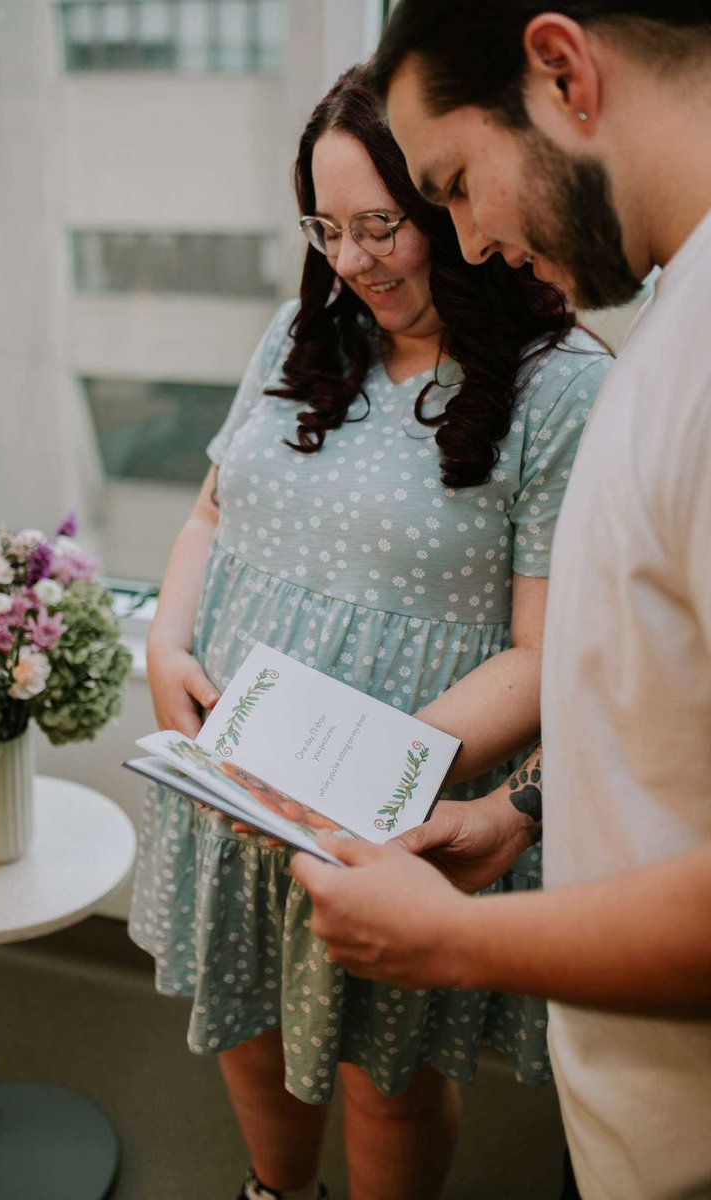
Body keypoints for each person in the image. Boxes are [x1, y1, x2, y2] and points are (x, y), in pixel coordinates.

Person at [128, 65, 610, 1200]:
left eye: (379, 227)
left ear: (451, 202)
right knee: (241, 1008)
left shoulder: (562, 388)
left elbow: (544, 656)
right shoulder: (304, 330)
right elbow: (210, 509)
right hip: (237, 777)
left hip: (383, 799)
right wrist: (165, 642)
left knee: (383, 1069)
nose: (349, 261)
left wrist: (346, 765)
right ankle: (271, 1190)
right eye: (325, 228)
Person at [291, 6, 711, 1199]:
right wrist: (524, 808)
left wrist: (455, 943)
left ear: (563, 71)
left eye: (452, 185)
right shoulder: (671, 322)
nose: (464, 241)